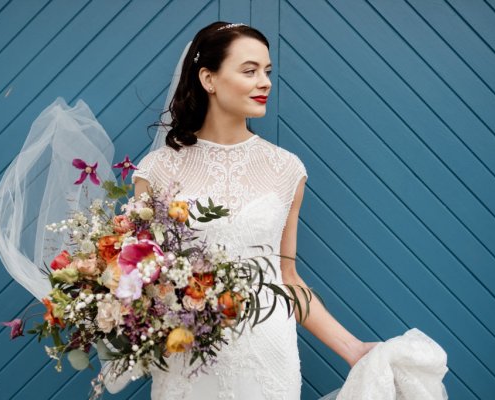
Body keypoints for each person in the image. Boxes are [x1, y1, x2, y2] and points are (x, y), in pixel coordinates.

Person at [130, 21, 378, 400]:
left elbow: (287, 275)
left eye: (267, 72)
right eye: (249, 71)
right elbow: (139, 276)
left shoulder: (286, 169)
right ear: (208, 79)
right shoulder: (158, 171)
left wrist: (354, 350)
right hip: (191, 355)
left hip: (268, 355)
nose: (265, 82)